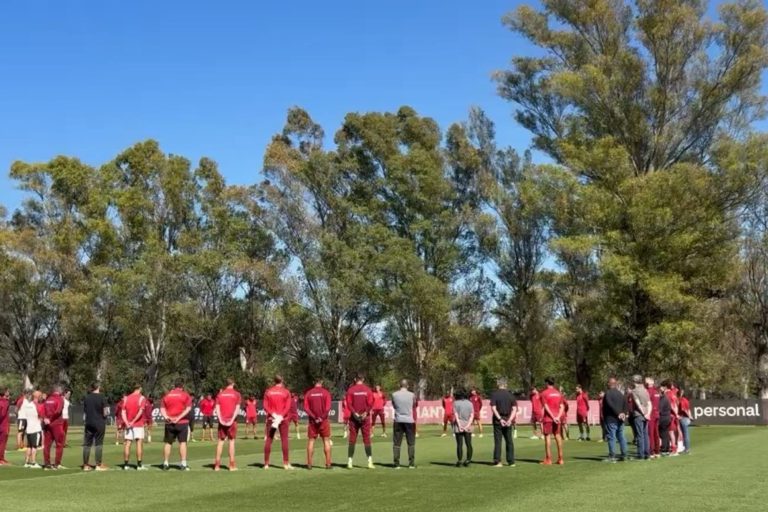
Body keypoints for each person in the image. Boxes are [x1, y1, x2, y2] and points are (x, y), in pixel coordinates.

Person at [160, 379, 193, 471]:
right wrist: (178, 418)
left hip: (169, 422)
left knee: (168, 443)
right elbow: (188, 409)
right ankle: (183, 463)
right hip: (182, 423)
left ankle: (166, 463)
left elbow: (162, 409)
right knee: (182, 443)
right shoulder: (185, 395)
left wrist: (166, 417)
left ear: (174, 385)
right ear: (182, 386)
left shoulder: (167, 395)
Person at [263, 375, 293, 470]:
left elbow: (265, 406)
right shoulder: (286, 392)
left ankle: (266, 464)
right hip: (283, 418)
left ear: (274, 381)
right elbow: (288, 407)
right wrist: (280, 416)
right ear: (282, 380)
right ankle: (286, 463)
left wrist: (273, 415)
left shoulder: (268, 391)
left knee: (269, 440)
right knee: (284, 440)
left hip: (272, 418)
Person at [345, 374, 375, 469]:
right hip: (365, 418)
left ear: (355, 379)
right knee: (367, 439)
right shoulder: (367, 390)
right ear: (363, 379)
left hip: (354, 418)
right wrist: (366, 412)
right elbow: (370, 403)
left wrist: (354, 413)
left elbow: (349, 404)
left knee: (352, 440)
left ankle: (350, 461)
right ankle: (369, 462)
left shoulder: (351, 390)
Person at [304, 378, 333, 469]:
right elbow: (328, 408)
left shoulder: (308, 393)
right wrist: (321, 417)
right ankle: (328, 464)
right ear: (322, 382)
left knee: (311, 441)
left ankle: (309, 464)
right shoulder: (326, 392)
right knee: (326, 440)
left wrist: (314, 417)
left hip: (313, 422)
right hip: (323, 421)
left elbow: (306, 408)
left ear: (314, 383)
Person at [213, 378, 241, 471]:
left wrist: (220, 419)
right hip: (232, 421)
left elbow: (217, 408)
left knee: (220, 442)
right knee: (231, 441)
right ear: (233, 383)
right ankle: (231, 465)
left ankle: (217, 465)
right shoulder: (237, 394)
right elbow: (237, 409)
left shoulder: (220, 394)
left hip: (222, 421)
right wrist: (232, 420)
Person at [490, 378, 518, 467]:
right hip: (508, 418)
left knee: (498, 441)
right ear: (505, 385)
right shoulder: (510, 395)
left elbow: (493, 408)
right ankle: (511, 461)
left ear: (498, 384)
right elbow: (514, 409)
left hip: (498, 420)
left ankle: (498, 461)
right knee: (509, 440)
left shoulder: (495, 395)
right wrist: (510, 420)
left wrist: (500, 419)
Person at [82, 381, 109, 471]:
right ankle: (98, 464)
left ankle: (85, 465)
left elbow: (85, 411)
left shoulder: (87, 397)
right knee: (98, 443)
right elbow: (106, 412)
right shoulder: (102, 397)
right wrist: (104, 417)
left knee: (87, 444)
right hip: (99, 422)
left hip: (89, 422)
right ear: (98, 387)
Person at [391, 379, 417, 469]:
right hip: (409, 420)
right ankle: (411, 463)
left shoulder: (394, 394)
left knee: (397, 443)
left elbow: (394, 405)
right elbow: (414, 405)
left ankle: (396, 463)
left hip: (398, 420)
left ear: (399, 385)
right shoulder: (412, 395)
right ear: (408, 386)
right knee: (411, 443)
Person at [121, 384, 148, 470]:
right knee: (139, 443)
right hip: (138, 424)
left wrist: (127, 422)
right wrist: (132, 422)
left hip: (128, 424)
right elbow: (140, 412)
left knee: (127, 443)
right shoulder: (142, 398)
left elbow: (123, 412)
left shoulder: (126, 398)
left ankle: (126, 465)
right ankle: (139, 465)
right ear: (140, 388)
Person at [602, 377, 628, 462]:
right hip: (620, 419)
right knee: (621, 436)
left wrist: (618, 413)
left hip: (611, 418)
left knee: (611, 437)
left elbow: (610, 404)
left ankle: (612, 456)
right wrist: (623, 413)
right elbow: (625, 403)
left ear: (609, 384)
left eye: (608, 383)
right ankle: (624, 455)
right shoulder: (620, 393)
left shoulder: (608, 394)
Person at [540, 377, 564, 465]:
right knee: (558, 436)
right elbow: (562, 406)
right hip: (557, 418)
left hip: (548, 418)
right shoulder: (558, 393)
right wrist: (557, 416)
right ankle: (561, 459)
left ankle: (548, 459)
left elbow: (545, 406)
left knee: (547, 437)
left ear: (546, 383)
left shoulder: (544, 393)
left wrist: (553, 416)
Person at [42, 384, 66, 470]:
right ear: (59, 390)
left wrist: (45, 418)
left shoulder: (48, 399)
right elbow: (58, 411)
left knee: (47, 444)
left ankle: (47, 464)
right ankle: (57, 463)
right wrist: (50, 419)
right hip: (56, 423)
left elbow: (43, 409)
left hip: (47, 424)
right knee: (59, 443)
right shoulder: (60, 399)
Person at [17, 389, 42, 468]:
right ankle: (33, 462)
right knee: (34, 446)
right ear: (38, 397)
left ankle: (26, 462)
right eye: (40, 396)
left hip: (29, 429)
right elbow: (41, 416)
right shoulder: (38, 405)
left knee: (29, 446)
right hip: (36, 428)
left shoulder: (28, 405)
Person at [629, 375, 652, 460]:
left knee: (639, 435)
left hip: (639, 415)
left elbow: (638, 404)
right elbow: (649, 403)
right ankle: (647, 454)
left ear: (634, 381)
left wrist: (644, 413)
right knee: (645, 435)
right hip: (646, 415)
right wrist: (648, 414)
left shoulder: (634, 391)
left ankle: (641, 454)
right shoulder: (645, 390)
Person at [452, 388, 474, 466]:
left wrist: (460, 425)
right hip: (468, 424)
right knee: (468, 444)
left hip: (459, 425)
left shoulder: (455, 403)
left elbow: (456, 415)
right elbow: (472, 415)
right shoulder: (470, 403)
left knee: (459, 444)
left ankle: (460, 460)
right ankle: (468, 460)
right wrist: (467, 425)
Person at [645, 377, 661, 458]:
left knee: (651, 433)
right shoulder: (656, 391)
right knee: (656, 433)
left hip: (651, 414)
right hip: (657, 414)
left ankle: (652, 451)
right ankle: (657, 451)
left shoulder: (648, 391)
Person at [658, 380, 673, 456]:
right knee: (666, 434)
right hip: (667, 418)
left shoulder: (663, 399)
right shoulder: (665, 398)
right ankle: (667, 448)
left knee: (663, 434)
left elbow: (659, 409)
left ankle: (664, 449)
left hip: (663, 418)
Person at [678, 389, 691, 454]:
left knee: (685, 434)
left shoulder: (681, 400)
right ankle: (686, 448)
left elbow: (684, 409)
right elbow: (688, 409)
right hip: (686, 418)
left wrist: (689, 416)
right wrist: (690, 417)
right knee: (685, 434)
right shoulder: (686, 400)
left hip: (683, 418)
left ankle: (686, 449)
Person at [0, 388, 9, 465]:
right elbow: (2, 414)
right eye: (7, 391)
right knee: (2, 443)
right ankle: (1, 459)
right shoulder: (4, 402)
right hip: (3, 425)